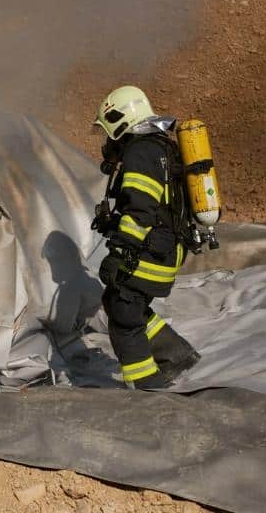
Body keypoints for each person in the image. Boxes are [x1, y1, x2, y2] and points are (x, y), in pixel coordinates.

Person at [91, 86, 200, 389]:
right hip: (167, 247)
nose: (108, 140)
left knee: (124, 311)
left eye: (108, 131)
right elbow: (156, 206)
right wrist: (113, 223)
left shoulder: (140, 152)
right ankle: (174, 354)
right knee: (123, 302)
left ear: (120, 120)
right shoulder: (160, 147)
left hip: (153, 251)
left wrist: (120, 253)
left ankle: (146, 388)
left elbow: (141, 212)